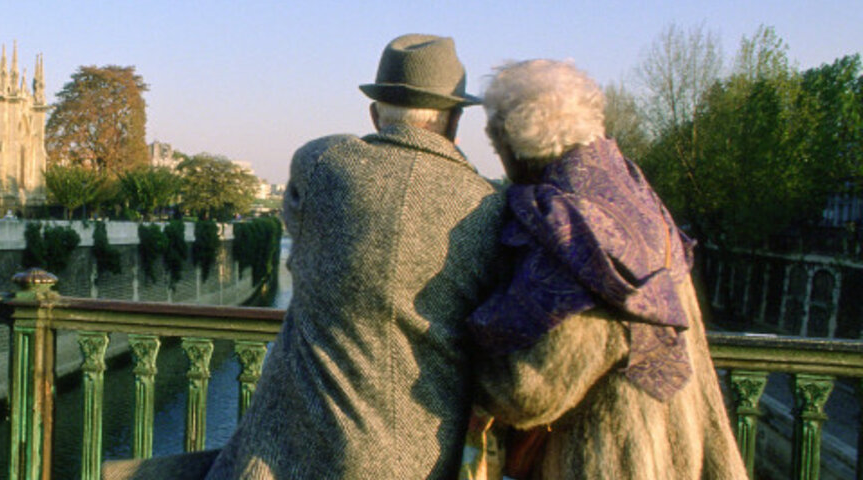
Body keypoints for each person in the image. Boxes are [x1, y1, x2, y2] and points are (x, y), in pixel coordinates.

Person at [104, 33, 506, 479]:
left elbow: (301, 228)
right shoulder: (486, 207)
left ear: (374, 114)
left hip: (279, 457)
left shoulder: (322, 162)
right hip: (417, 462)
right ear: (454, 122)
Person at [464, 59, 747, 479]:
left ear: (514, 142)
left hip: (612, 462)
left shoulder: (572, 229)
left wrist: (464, 361)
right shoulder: (637, 200)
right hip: (676, 453)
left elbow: (530, 393)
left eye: (496, 142)